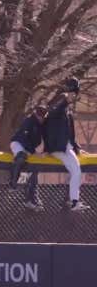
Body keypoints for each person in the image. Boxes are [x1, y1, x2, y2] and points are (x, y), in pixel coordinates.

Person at [44, 77, 90, 212]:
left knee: (76, 172)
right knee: (76, 171)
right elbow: (53, 113)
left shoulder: (67, 112)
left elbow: (70, 135)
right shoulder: (58, 108)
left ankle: (74, 201)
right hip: (58, 148)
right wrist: (65, 99)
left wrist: (77, 148)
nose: (72, 97)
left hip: (65, 147)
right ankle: (74, 201)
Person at [8, 104, 48, 210]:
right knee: (21, 157)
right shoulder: (29, 121)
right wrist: (35, 152)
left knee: (32, 171)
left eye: (43, 116)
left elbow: (44, 138)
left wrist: (44, 151)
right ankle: (12, 183)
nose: (41, 118)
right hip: (18, 143)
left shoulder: (42, 124)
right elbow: (24, 139)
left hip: (29, 149)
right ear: (36, 114)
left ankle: (30, 199)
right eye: (40, 115)